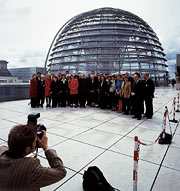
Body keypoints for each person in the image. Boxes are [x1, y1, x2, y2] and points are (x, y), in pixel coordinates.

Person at [0, 125, 66, 191]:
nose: (36, 143)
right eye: (35, 142)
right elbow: (61, 172)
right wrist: (46, 148)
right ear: (27, 149)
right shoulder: (29, 169)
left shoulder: (1, 150)